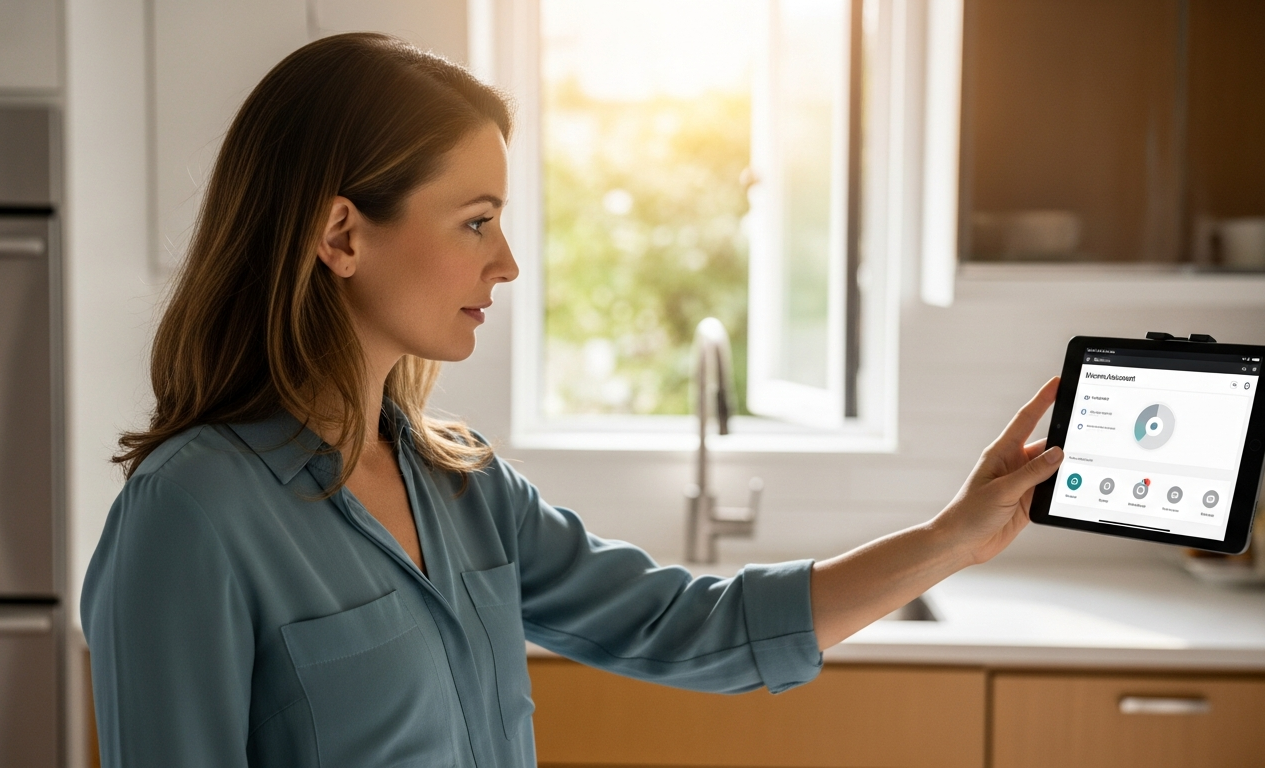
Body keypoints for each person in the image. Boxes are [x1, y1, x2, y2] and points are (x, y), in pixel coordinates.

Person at [81, 32, 1064, 768]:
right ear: (342, 236)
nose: (505, 263)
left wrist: (952, 537)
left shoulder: (460, 485)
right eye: (474, 222)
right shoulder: (192, 513)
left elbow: (694, 627)